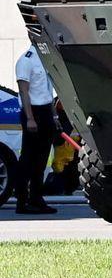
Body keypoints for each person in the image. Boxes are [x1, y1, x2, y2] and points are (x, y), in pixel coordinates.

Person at [14, 44, 59, 214]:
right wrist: (30, 118)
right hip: (32, 111)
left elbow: (48, 89)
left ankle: (37, 199)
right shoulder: (26, 61)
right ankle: (22, 201)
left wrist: (54, 116)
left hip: (46, 110)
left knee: (41, 160)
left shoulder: (45, 58)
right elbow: (24, 92)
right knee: (28, 159)